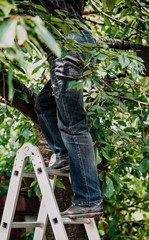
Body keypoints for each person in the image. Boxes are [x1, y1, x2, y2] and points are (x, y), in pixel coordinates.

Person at [33, 0, 103, 218]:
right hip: (80, 45)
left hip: (67, 48)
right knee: (44, 105)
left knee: (73, 125)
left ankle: (88, 199)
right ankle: (63, 154)